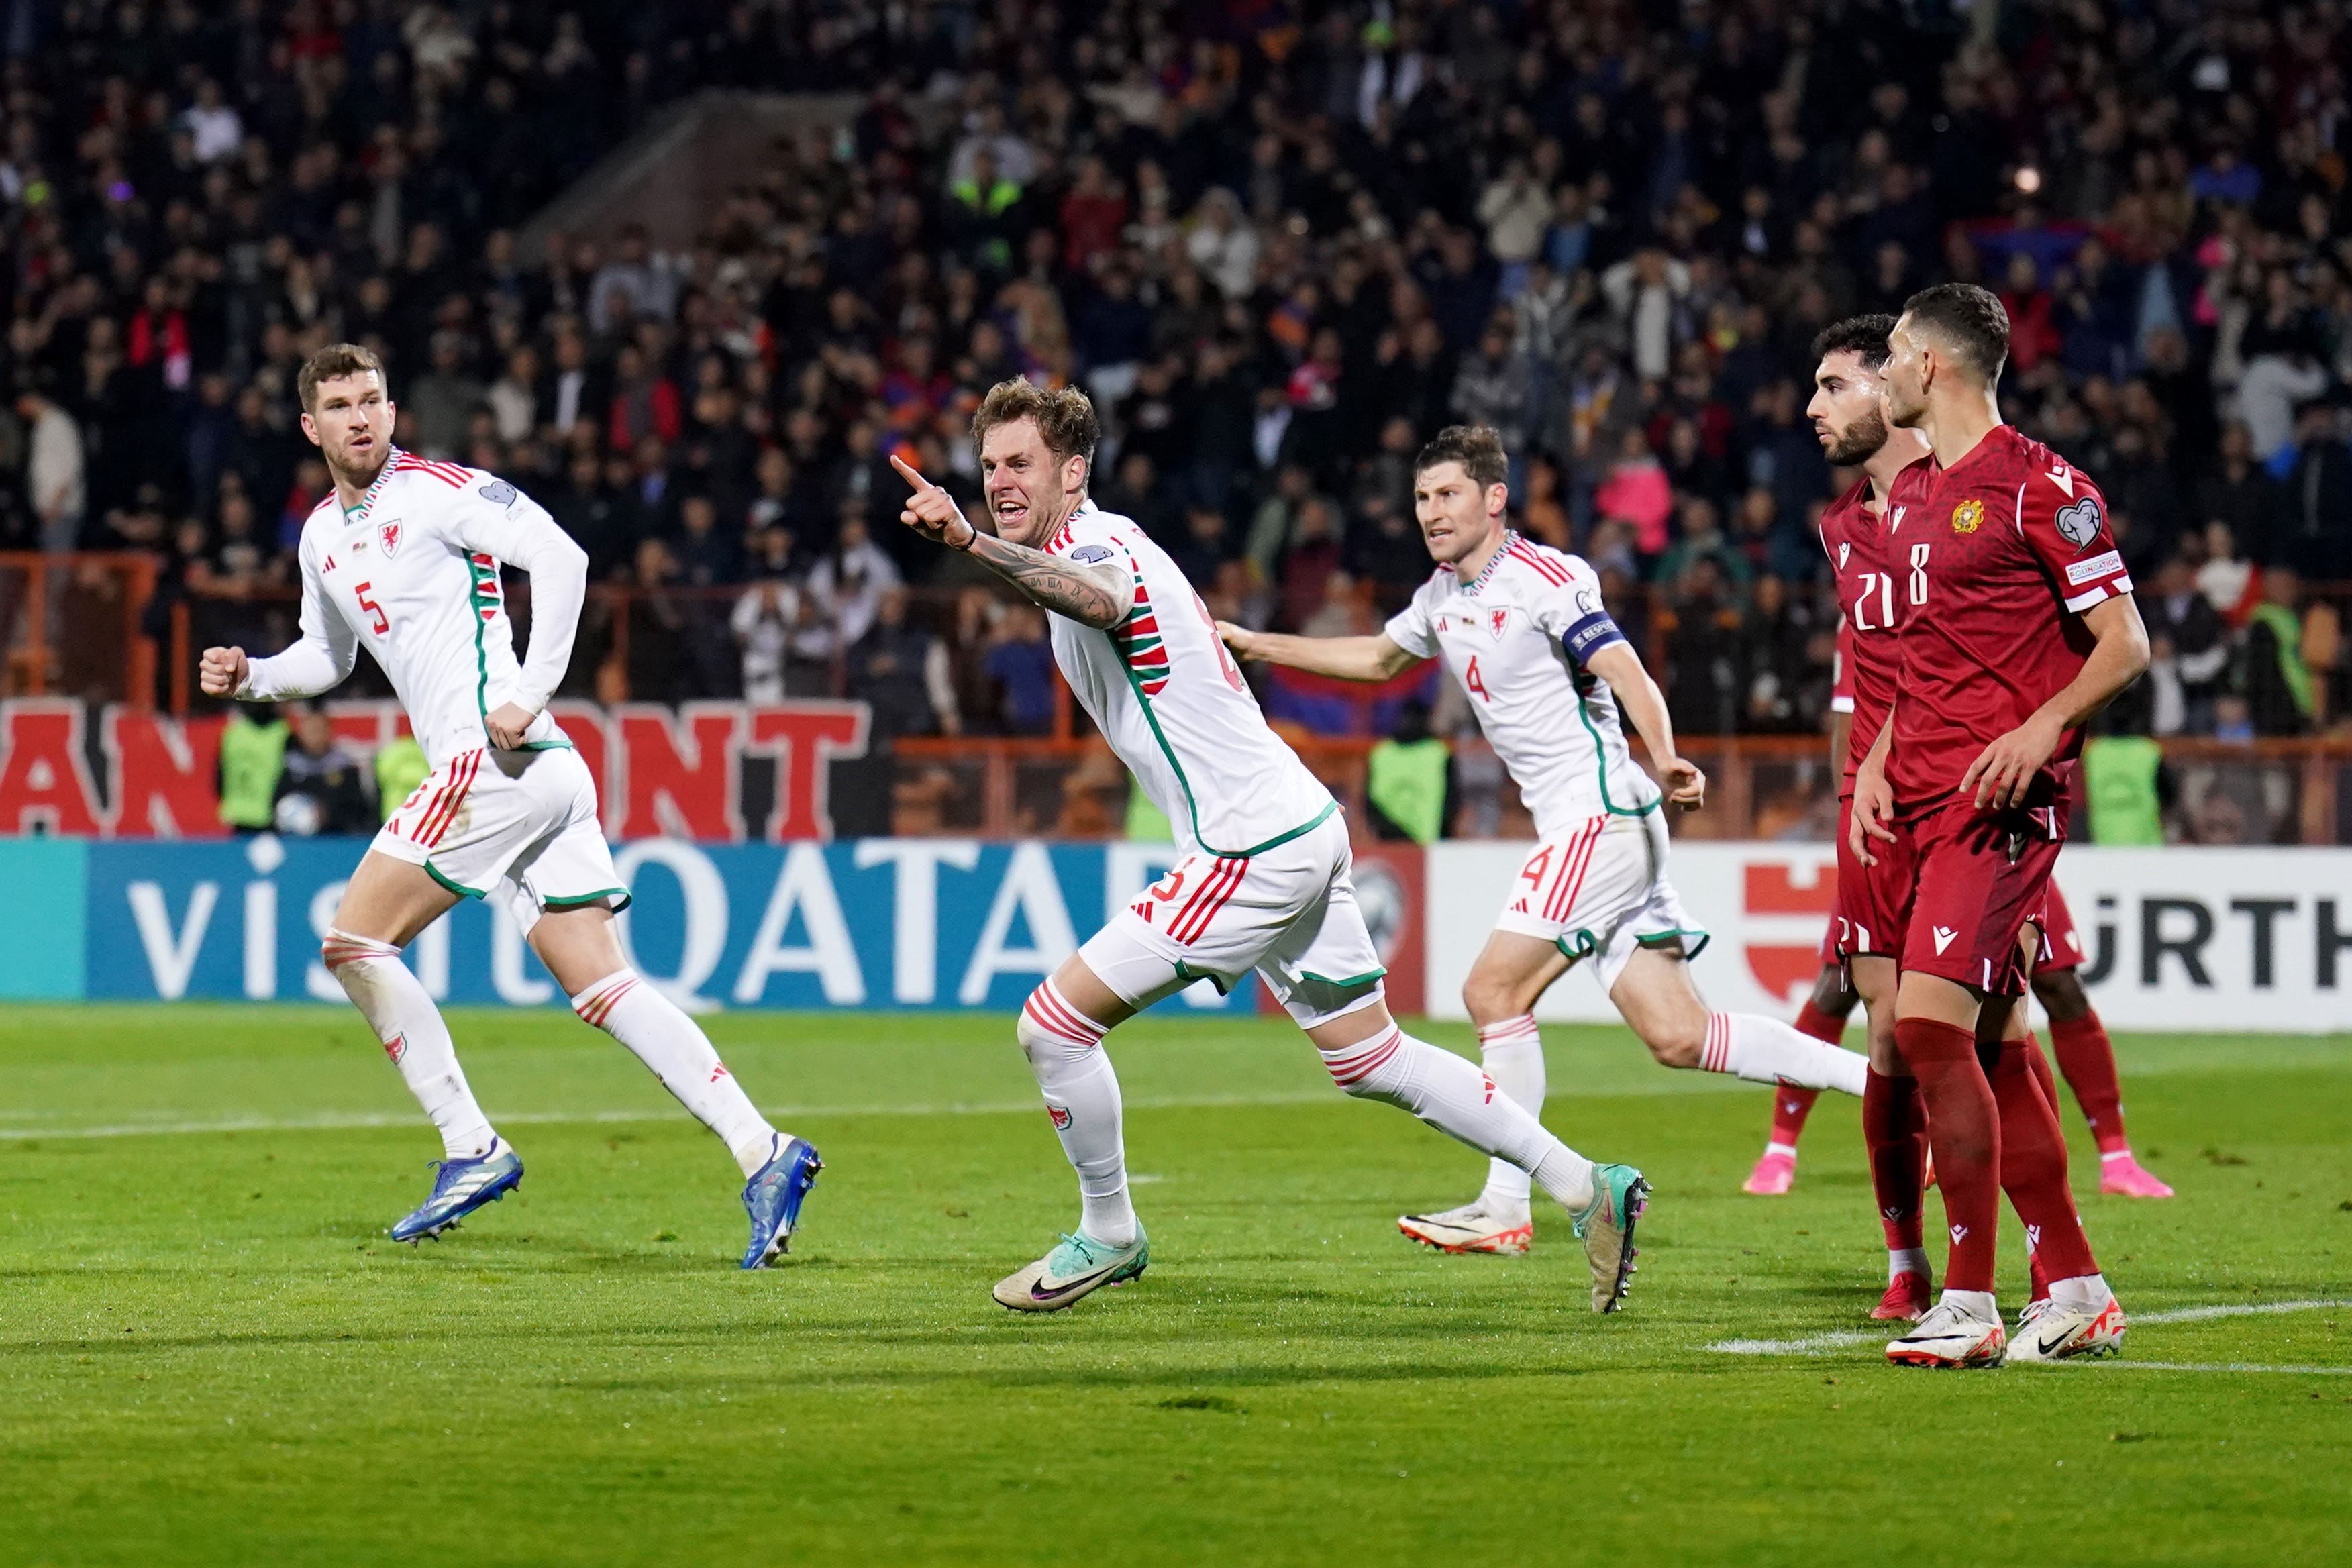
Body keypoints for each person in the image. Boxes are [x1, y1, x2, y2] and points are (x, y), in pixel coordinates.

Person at [894, 384, 1651, 1317]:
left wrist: (971, 545)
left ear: (1073, 471)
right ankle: (1588, 1184)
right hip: (1297, 824)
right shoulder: (1081, 543)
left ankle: (1111, 1231)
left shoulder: (1098, 545)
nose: (1000, 482)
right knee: (1373, 1060)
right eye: (990, 467)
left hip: (1251, 846)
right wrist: (988, 548)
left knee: (1052, 1025)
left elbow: (1094, 598)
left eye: (1021, 463)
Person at [197, 343, 819, 1267]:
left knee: (354, 942)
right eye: (339, 404)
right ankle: (764, 1151)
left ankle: (469, 1145)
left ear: (393, 409)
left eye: (372, 397)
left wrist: (529, 689)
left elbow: (561, 557)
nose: (360, 416)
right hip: (540, 774)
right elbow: (326, 658)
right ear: (311, 427)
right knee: (602, 985)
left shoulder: (443, 491)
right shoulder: (323, 535)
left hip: (497, 759)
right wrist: (252, 676)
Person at [1221, 425, 1867, 1259]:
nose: (1431, 512)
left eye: (1448, 494)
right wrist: (1253, 642)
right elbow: (1380, 659)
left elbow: (1625, 668)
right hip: (1604, 827)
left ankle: (1503, 1204)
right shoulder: (1440, 596)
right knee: (1680, 1037)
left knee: (1492, 993)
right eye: (1422, 498)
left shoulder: (1547, 579)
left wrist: (1667, 753)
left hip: (1599, 816)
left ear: (1494, 499)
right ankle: (1890, 1086)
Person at [1859, 284, 2149, 1366]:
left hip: (1998, 808)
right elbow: (1923, 658)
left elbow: (2123, 644)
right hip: (1923, 801)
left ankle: (1970, 1300)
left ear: (1930, 365)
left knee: (1927, 1029)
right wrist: (1884, 758)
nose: (1883, 368)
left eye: (1890, 351)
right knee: (1991, 1041)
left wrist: (2043, 729)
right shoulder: (1915, 498)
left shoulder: (2044, 486)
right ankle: (2074, 1286)